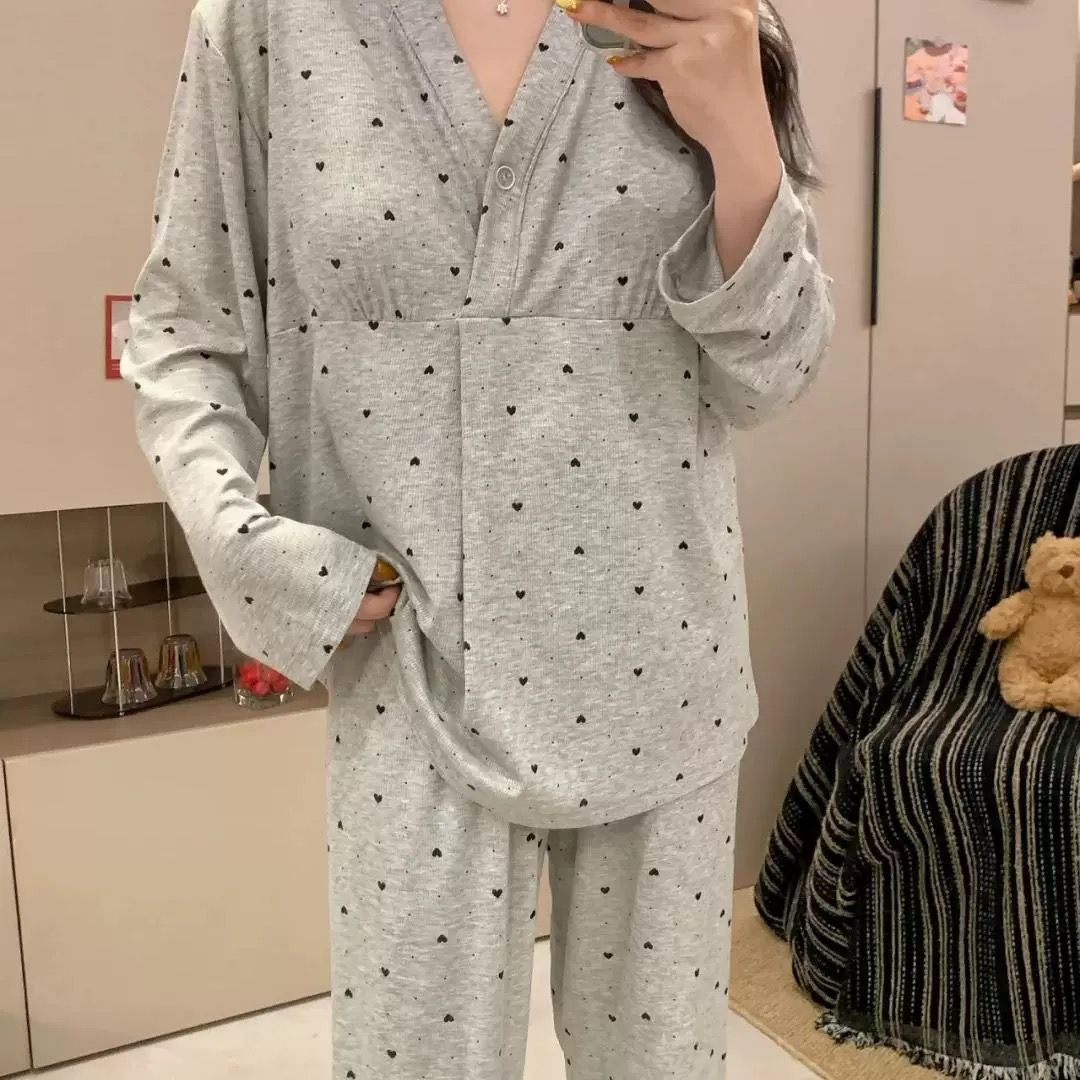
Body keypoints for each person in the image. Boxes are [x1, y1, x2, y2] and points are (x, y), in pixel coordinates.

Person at [121, 0, 833, 1076]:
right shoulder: (269, 22)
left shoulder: (705, 14)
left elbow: (772, 374)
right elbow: (185, 330)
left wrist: (744, 142)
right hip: (411, 676)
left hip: (661, 663)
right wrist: (240, 543)